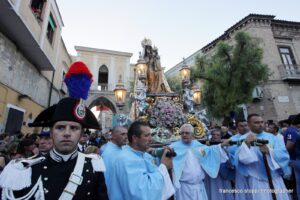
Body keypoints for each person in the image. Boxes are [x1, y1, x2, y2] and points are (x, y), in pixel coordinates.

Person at [0, 61, 108, 200]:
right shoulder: (23, 170)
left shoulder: (94, 167)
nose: (67, 133)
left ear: (82, 133)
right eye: (60, 127)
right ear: (51, 132)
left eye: (74, 128)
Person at [109, 121, 174, 200]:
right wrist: (164, 167)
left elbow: (152, 170)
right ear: (135, 138)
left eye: (151, 135)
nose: (150, 139)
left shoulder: (143, 154)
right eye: (146, 136)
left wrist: (163, 157)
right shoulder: (126, 159)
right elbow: (142, 193)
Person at [234, 113, 291, 200]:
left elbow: (283, 154)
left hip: (275, 177)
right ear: (249, 124)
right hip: (257, 179)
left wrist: (269, 151)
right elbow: (240, 159)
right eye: (256, 123)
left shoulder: (272, 137)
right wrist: (246, 145)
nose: (260, 125)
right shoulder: (244, 139)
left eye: (262, 122)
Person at [170, 123, 230, 200]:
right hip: (183, 187)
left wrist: (221, 145)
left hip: (199, 186)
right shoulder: (174, 147)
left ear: (192, 134)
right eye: (182, 133)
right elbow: (162, 153)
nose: (184, 135)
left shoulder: (197, 145)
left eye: (187, 133)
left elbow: (210, 151)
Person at [102, 126, 128, 196]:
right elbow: (107, 179)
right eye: (122, 134)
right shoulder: (108, 154)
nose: (126, 136)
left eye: (126, 134)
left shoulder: (122, 148)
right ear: (113, 136)